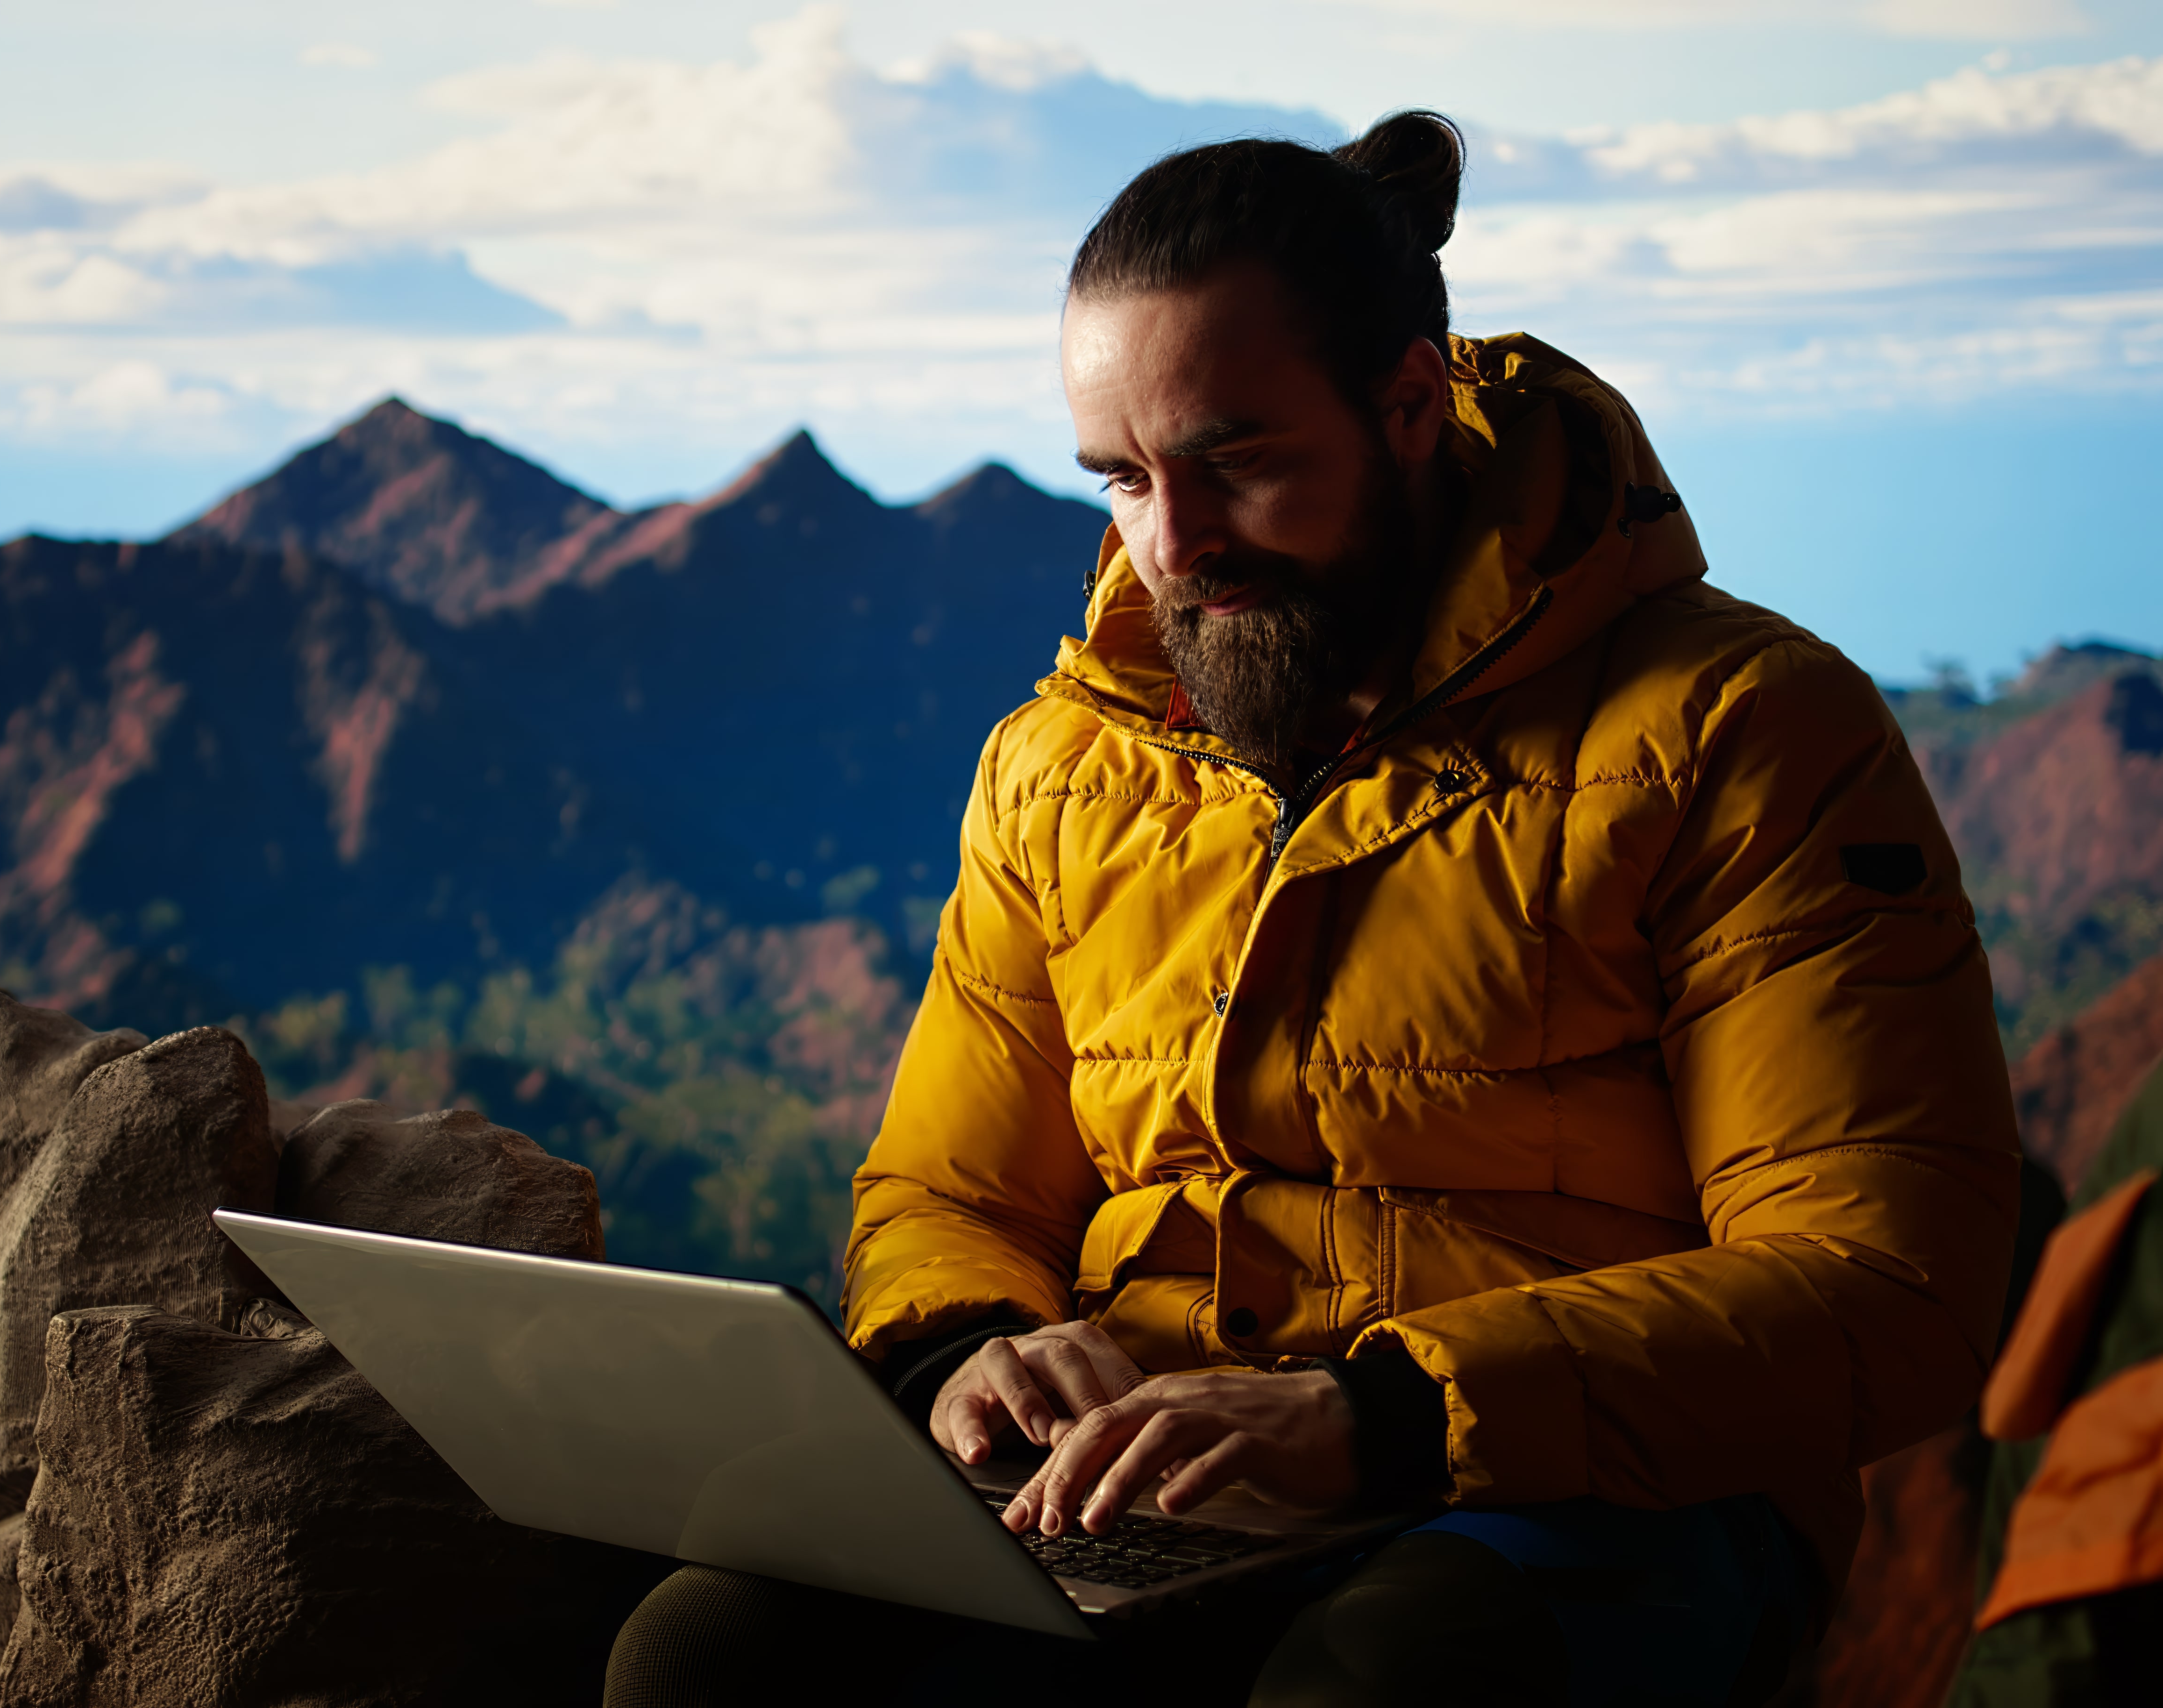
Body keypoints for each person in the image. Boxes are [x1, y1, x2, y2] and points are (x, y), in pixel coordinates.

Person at [604, 112, 2021, 1706]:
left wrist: (1386, 1416)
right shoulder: (1058, 767)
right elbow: (946, 1187)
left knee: (1370, 1684)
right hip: (1154, 1480)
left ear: (1409, 403)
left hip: (1588, 1495)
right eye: (1125, 479)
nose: (1172, 545)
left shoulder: (1740, 732)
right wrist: (963, 1353)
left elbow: (1889, 1279)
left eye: (1239, 463)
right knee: (710, 1651)